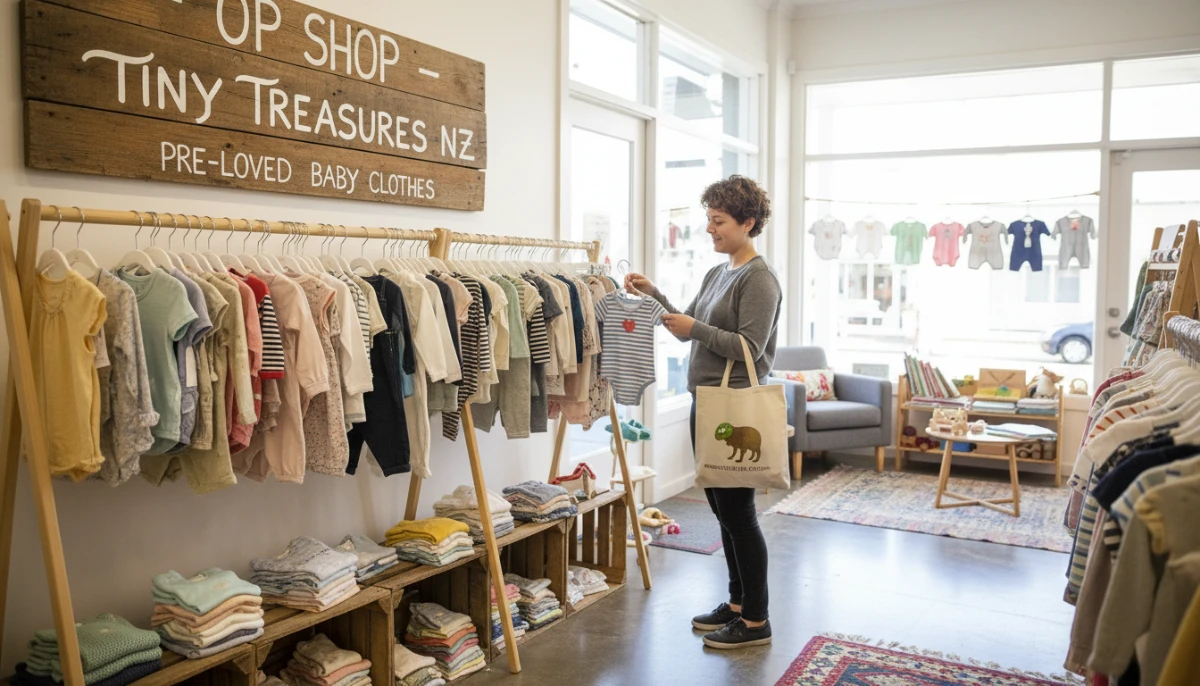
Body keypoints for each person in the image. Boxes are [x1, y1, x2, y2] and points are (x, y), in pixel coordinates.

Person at [625, 175, 781, 650]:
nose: (710, 230)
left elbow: (750, 348)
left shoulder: (759, 278)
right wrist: (655, 296)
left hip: (735, 406)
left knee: (739, 513)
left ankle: (756, 621)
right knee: (722, 509)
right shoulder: (720, 272)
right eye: (708, 220)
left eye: (719, 221)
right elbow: (685, 329)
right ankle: (736, 605)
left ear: (748, 223)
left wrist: (695, 327)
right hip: (708, 403)